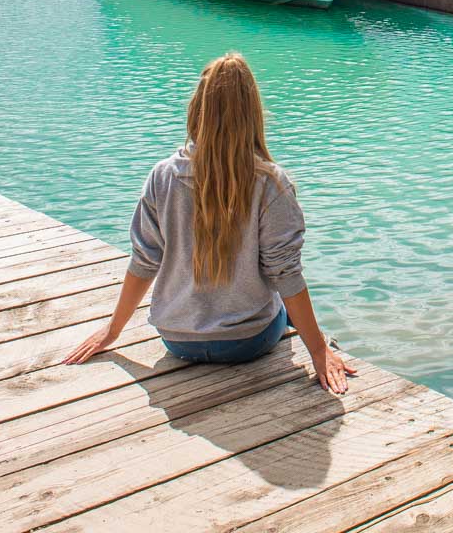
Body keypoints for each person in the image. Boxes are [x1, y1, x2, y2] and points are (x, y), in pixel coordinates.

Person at [64, 52, 354, 393]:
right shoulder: (270, 183)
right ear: (253, 115)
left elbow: (144, 261)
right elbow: (284, 273)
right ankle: (322, 340)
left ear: (196, 110)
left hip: (177, 339)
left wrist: (113, 331)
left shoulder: (163, 176)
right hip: (246, 341)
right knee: (279, 303)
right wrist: (318, 352)